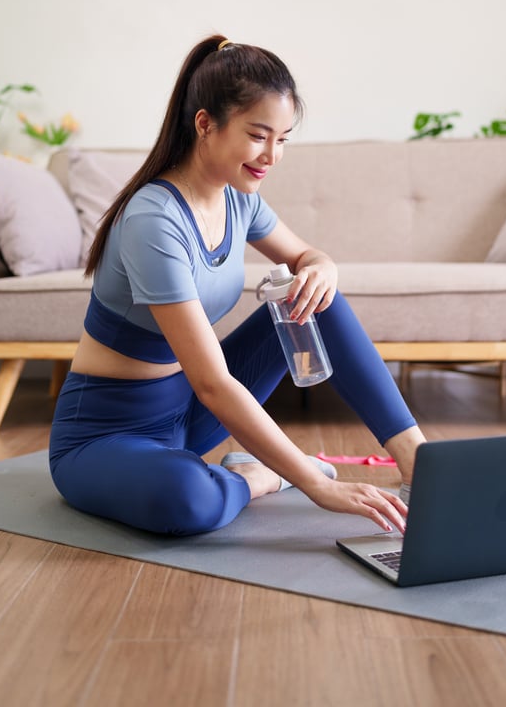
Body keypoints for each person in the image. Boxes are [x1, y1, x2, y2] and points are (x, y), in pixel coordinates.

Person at [49, 35, 426, 537]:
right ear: (205, 123)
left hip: (189, 417)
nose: (272, 155)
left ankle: (420, 466)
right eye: (258, 135)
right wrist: (315, 483)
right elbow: (212, 382)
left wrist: (323, 266)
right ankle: (256, 478)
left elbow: (306, 257)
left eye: (284, 138)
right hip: (104, 435)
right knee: (188, 499)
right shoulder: (153, 220)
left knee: (316, 300)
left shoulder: (238, 198)